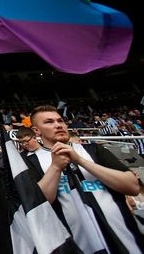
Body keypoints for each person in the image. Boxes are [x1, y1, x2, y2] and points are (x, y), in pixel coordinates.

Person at [27, 105, 144, 253]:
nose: (58, 125)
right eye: (49, 122)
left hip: (126, 241)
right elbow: (38, 204)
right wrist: (55, 168)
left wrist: (81, 161)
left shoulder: (94, 150)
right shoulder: (31, 161)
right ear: (36, 130)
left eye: (60, 121)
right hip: (74, 245)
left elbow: (133, 187)